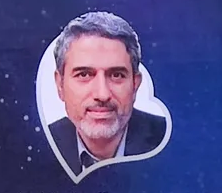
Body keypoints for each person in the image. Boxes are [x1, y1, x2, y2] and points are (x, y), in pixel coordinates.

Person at [47, 11, 168, 175]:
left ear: (135, 84)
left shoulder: (168, 141)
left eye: (117, 75)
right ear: (60, 85)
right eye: (84, 74)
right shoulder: (43, 145)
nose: (102, 94)